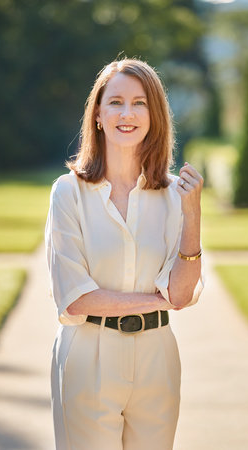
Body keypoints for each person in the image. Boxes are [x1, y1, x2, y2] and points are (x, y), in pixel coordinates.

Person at [45, 57, 204, 450]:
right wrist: (155, 300)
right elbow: (77, 298)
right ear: (97, 114)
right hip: (88, 356)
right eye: (115, 102)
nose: (127, 113)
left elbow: (181, 295)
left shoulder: (174, 196)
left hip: (157, 359)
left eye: (139, 103)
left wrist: (193, 214)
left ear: (154, 116)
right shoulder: (69, 193)